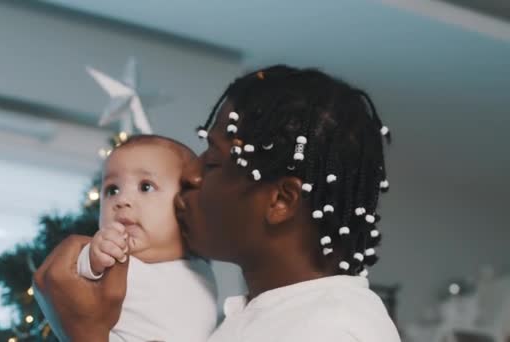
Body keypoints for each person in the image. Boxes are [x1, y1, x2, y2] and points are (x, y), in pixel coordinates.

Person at [34, 65, 402, 342]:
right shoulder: (253, 319)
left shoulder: (332, 331)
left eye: (212, 160)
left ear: (280, 200)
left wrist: (84, 331)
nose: (190, 173)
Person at [77, 134, 218, 342]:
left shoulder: (201, 270)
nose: (122, 200)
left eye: (145, 187)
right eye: (112, 190)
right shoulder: (114, 262)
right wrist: (93, 257)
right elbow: (72, 278)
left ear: (185, 203)